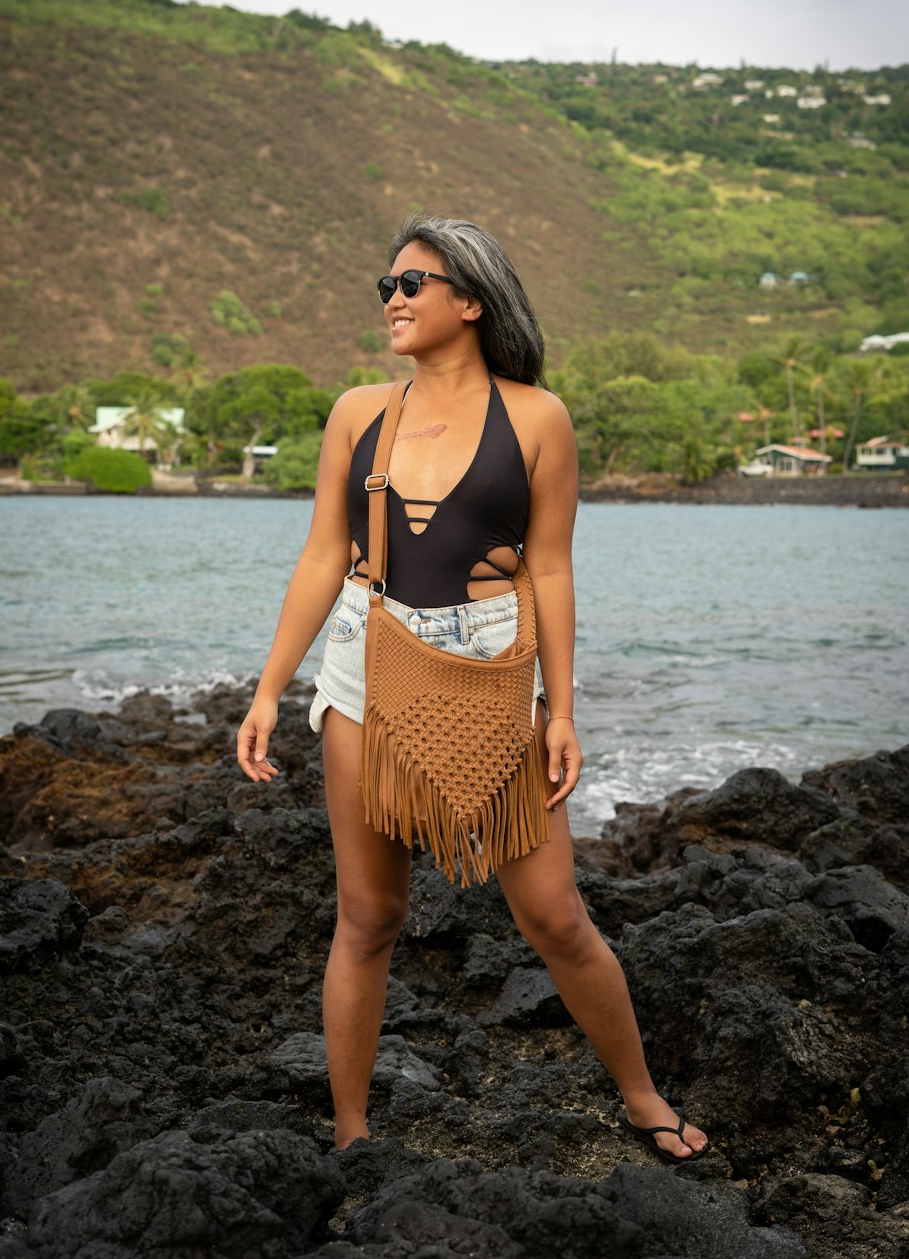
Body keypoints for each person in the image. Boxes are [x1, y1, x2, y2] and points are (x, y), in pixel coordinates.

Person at [236, 214, 709, 1164]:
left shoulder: (538, 417)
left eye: (414, 283)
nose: (394, 300)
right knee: (368, 918)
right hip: (366, 671)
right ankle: (352, 1134)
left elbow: (554, 570)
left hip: (498, 673)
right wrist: (267, 691)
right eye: (387, 286)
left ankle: (643, 1095)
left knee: (554, 914)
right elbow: (326, 554)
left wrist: (563, 709)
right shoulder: (356, 413)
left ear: (471, 301)